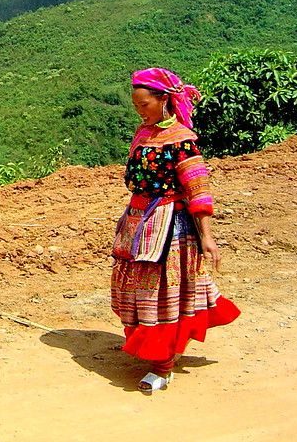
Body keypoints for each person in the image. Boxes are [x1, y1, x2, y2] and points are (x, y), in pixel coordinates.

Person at [111, 67, 240, 393]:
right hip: (138, 219)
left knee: (160, 292)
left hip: (169, 225)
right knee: (134, 287)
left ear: (164, 100)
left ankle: (162, 365)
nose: (140, 110)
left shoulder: (182, 141)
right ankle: (150, 348)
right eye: (136, 105)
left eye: (145, 104)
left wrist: (207, 236)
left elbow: (198, 188)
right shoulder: (143, 134)